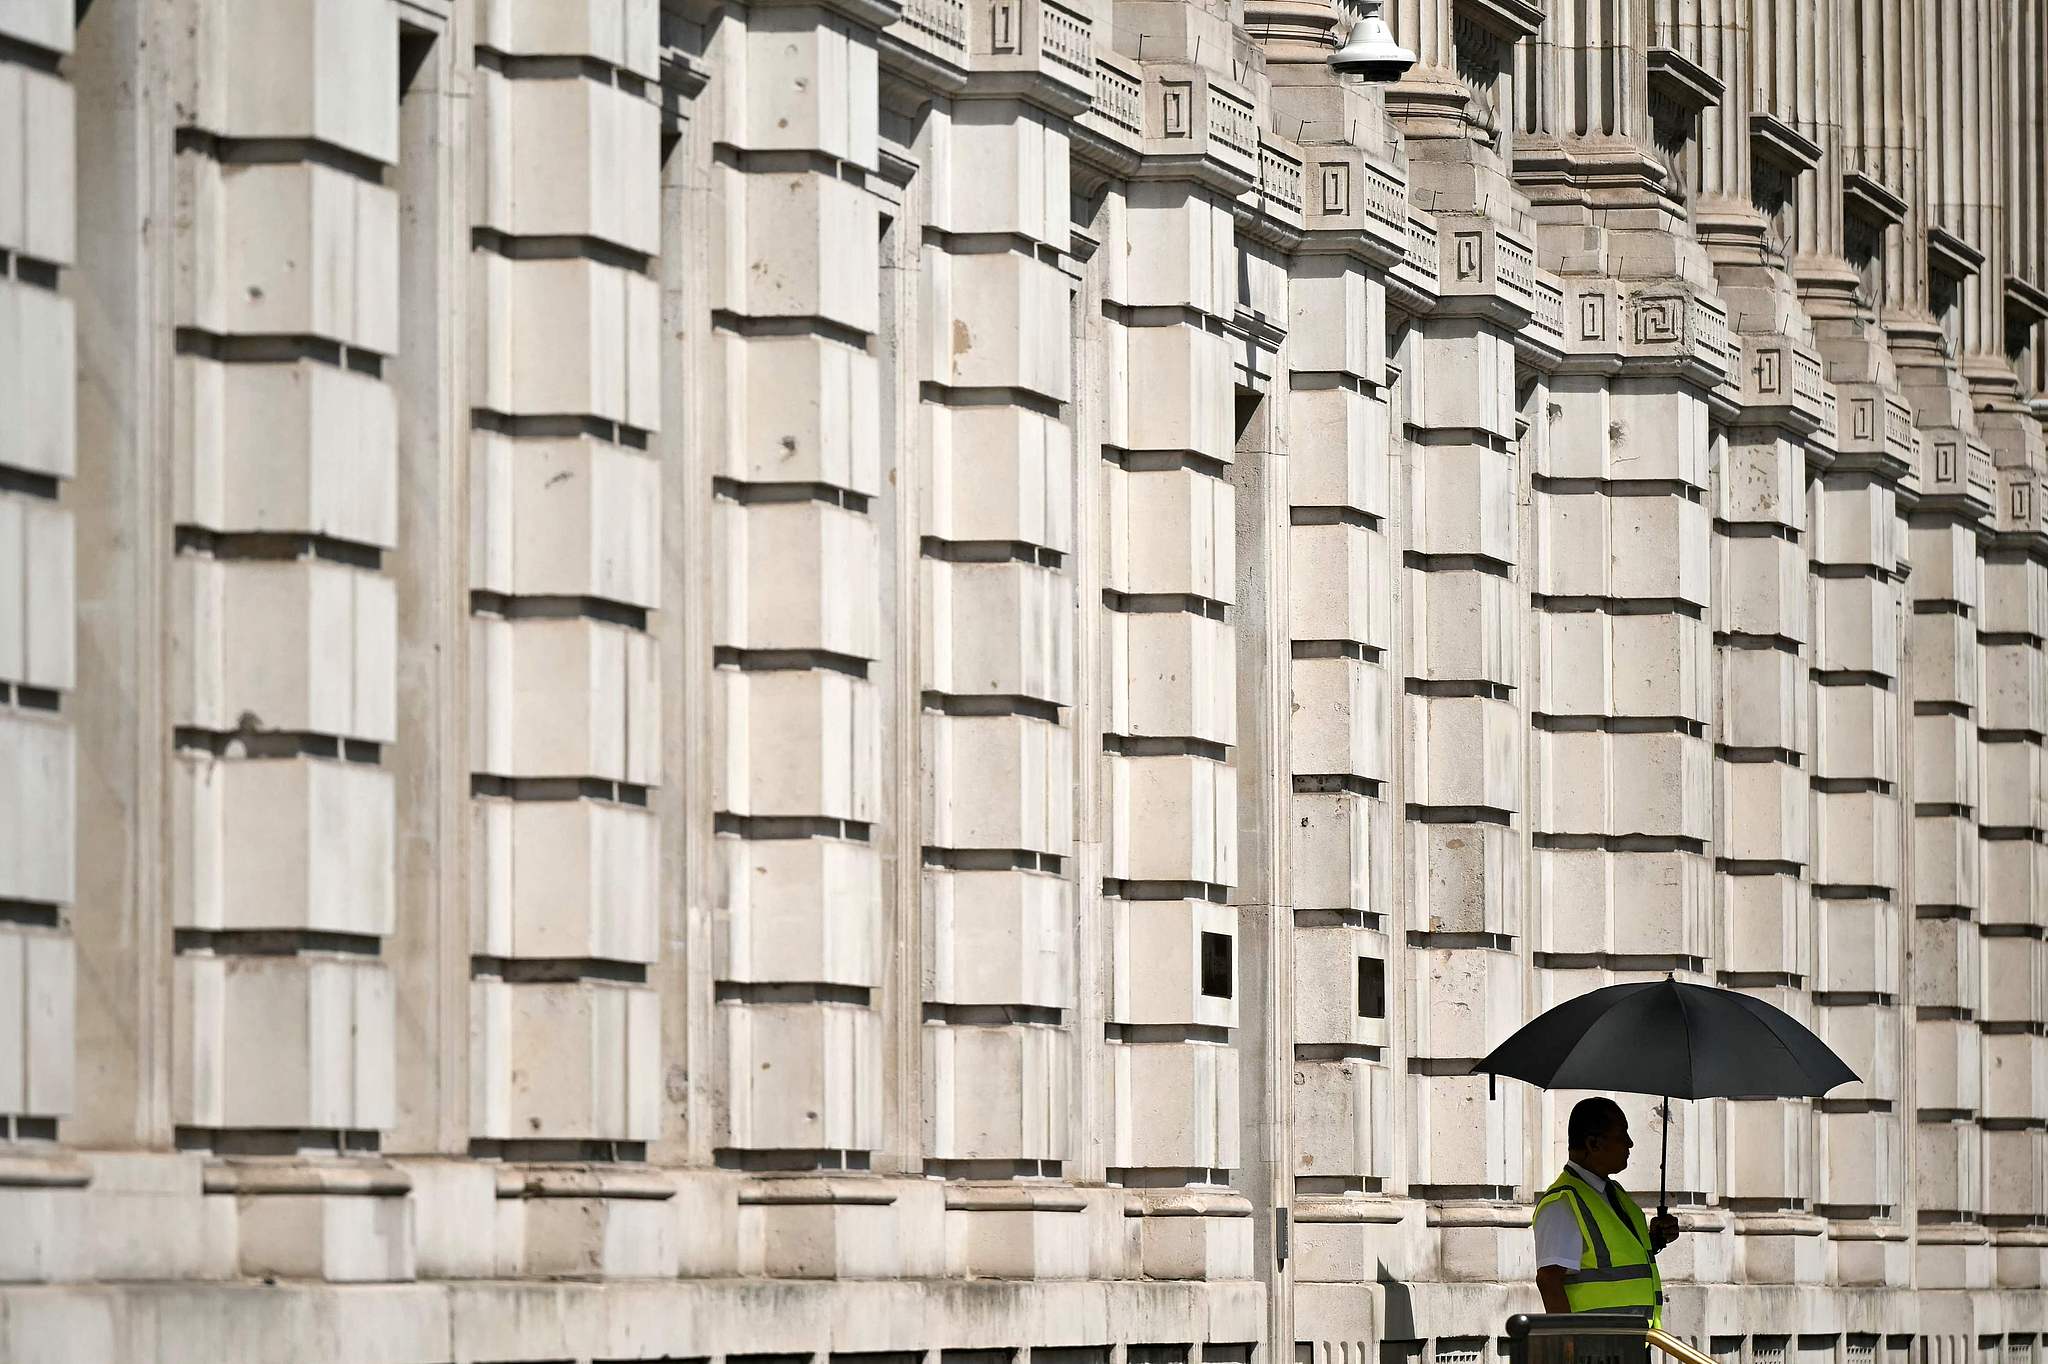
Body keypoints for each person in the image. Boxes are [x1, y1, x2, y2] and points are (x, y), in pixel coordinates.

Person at [1533, 1097, 1680, 1327]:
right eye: (1622, 1135)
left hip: (1632, 1342)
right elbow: (1549, 1280)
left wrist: (1655, 1240)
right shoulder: (1562, 1203)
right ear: (1593, 1144)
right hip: (1596, 1348)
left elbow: (1612, 1264)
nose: (1630, 1144)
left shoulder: (1613, 1193)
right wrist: (1568, 1347)